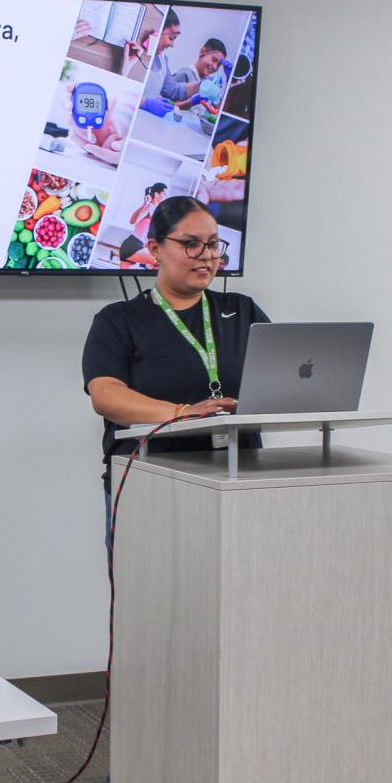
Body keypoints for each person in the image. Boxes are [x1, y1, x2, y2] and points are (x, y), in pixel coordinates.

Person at [81, 197, 270, 547]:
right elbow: (106, 394)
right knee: (152, 594)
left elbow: (279, 378)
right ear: (155, 248)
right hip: (152, 480)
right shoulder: (119, 320)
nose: (207, 255)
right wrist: (185, 414)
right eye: (191, 244)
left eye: (213, 244)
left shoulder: (242, 310)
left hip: (239, 477)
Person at [120, 183, 166, 269]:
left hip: (137, 246)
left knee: (127, 279)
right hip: (133, 246)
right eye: (164, 194)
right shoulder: (149, 207)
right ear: (156, 194)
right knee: (162, 262)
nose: (165, 197)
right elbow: (132, 221)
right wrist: (145, 204)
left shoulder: (157, 211)